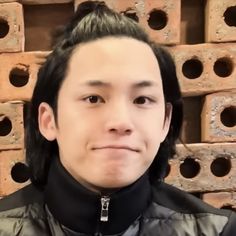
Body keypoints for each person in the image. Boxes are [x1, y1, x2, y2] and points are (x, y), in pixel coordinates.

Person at [0, 1, 235, 235]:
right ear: (48, 121)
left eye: (142, 100)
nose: (121, 122)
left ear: (165, 121)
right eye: (93, 98)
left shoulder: (218, 230)